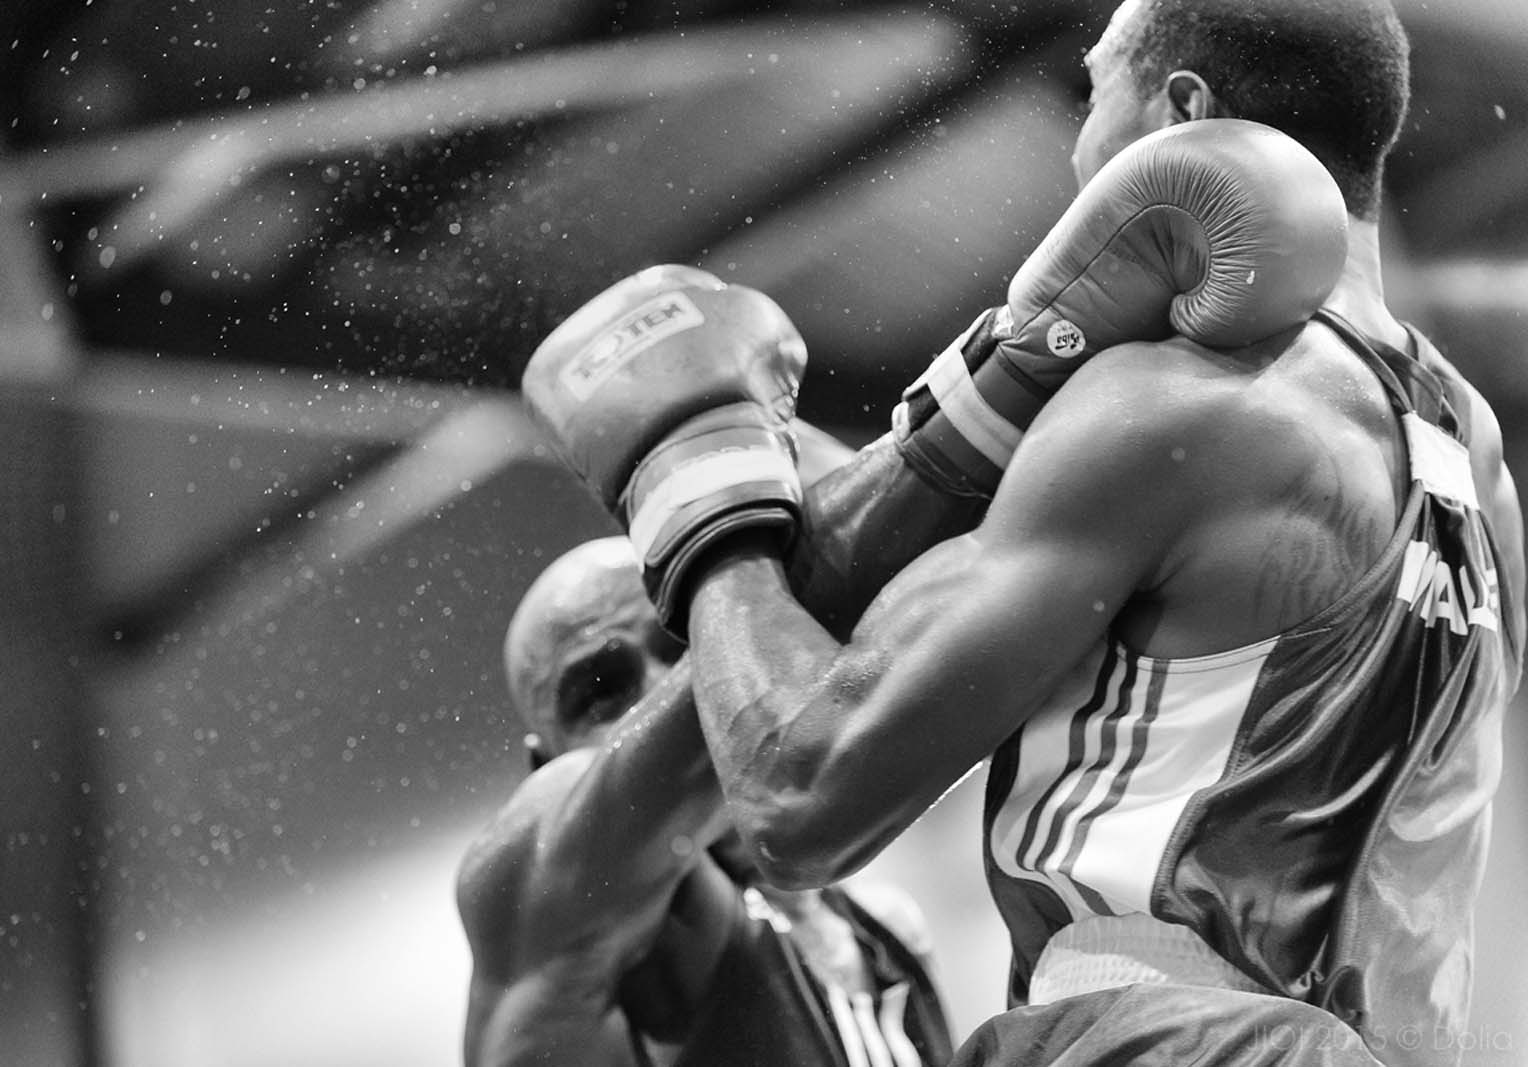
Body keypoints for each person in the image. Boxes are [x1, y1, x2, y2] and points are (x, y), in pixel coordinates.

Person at [519, 0, 1526, 1064]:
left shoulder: (1174, 405)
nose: (1080, 143)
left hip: (1158, 1040)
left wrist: (697, 490)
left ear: (1182, 111)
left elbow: (801, 793)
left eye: (1093, 91)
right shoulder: (1478, 459)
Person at [455, 530, 956, 1066]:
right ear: (548, 765)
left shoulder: (888, 929)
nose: (660, 696)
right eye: (603, 690)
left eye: (688, 644)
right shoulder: (572, 954)